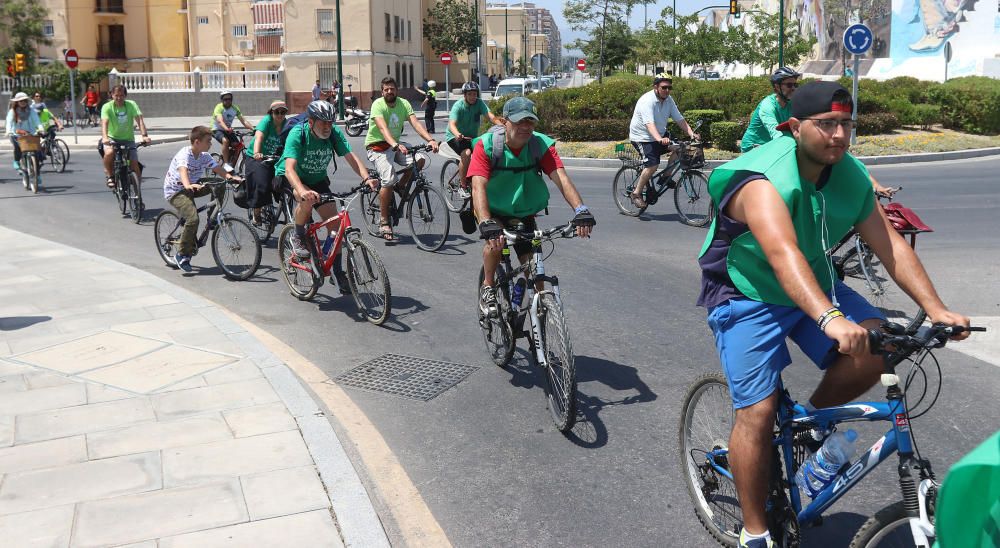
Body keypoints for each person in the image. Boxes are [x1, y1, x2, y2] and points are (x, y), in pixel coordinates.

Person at [695, 81, 970, 548]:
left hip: (815, 287)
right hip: (747, 293)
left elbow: (891, 248)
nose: (840, 135)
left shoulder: (849, 173)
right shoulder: (762, 180)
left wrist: (936, 308)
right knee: (758, 414)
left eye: (847, 124)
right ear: (793, 127)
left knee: (881, 343)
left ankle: (813, 421)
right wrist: (829, 319)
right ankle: (754, 532)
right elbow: (783, 255)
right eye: (827, 125)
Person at [469, 96, 595, 314]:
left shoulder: (539, 145)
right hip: (493, 209)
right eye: (519, 122)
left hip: (523, 210)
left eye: (530, 122)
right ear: (503, 121)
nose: (526, 127)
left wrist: (580, 210)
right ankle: (488, 285)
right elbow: (478, 186)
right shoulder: (487, 146)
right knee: (495, 243)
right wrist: (487, 222)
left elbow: (561, 178)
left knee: (533, 265)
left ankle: (541, 314)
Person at [274, 100, 378, 292]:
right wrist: (303, 191)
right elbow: (289, 169)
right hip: (293, 177)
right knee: (305, 199)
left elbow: (350, 156)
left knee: (335, 226)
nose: (328, 126)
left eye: (330, 122)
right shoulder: (298, 134)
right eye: (323, 122)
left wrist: (366, 178)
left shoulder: (333, 134)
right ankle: (298, 235)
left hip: (318, 179)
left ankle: (337, 273)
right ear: (311, 122)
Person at [364, 76, 439, 243]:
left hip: (396, 144)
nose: (389, 91)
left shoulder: (403, 103)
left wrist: (430, 140)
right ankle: (384, 221)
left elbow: (416, 123)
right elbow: (383, 129)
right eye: (386, 89)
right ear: (382, 91)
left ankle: (402, 185)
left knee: (420, 159)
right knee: (388, 179)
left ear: (396, 90)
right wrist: (395, 145)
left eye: (392, 88)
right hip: (377, 146)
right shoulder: (378, 105)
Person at [162, 126, 242, 273]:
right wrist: (188, 185)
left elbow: (217, 168)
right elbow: (183, 171)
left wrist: (231, 177)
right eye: (208, 141)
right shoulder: (184, 154)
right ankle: (182, 254)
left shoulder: (204, 155)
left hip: (194, 186)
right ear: (197, 142)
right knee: (193, 220)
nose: (211, 144)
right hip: (176, 191)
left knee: (219, 184)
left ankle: (212, 218)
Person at [626, 73, 699, 209]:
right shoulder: (647, 101)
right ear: (656, 87)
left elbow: (679, 119)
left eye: (669, 88)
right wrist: (659, 139)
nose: (667, 91)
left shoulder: (668, 100)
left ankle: (665, 177)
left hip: (659, 135)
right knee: (652, 165)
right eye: (664, 87)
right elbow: (649, 124)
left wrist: (691, 133)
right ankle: (636, 193)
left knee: (680, 149)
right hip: (643, 138)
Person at [445, 81, 500, 196]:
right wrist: (457, 134)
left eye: (474, 94)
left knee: (485, 152)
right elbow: (452, 124)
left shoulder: (479, 103)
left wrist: (500, 124)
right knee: (467, 153)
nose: (472, 97)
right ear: (464, 95)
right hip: (455, 137)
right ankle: (463, 186)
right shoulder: (458, 106)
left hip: (471, 138)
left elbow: (490, 116)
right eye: (469, 94)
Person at [243, 100, 288, 225]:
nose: (280, 115)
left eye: (283, 112)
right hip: (256, 157)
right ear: (271, 112)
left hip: (275, 157)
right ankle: (256, 213)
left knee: (286, 183)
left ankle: (289, 213)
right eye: (277, 112)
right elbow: (259, 137)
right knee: (262, 184)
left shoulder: (286, 124)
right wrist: (257, 152)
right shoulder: (267, 121)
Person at [100, 84, 151, 189]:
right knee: (109, 152)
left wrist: (144, 136)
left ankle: (138, 193)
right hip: (112, 138)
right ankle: (110, 176)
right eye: (116, 95)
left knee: (134, 164)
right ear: (112, 95)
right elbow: (104, 123)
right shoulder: (107, 106)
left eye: (122, 95)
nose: (119, 98)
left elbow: (139, 120)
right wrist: (105, 138)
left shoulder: (131, 105)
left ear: (125, 96)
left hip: (128, 139)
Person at [739, 67, 800, 153]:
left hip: (772, 145)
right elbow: (775, 132)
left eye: (795, 85)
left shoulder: (792, 104)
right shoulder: (767, 105)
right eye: (789, 85)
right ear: (777, 86)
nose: (793, 88)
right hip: (754, 147)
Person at [211, 90, 254, 167]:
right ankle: (227, 164)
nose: (228, 101)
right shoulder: (219, 107)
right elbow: (220, 121)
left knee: (238, 145)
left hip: (228, 129)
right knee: (225, 141)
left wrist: (253, 129)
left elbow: (243, 121)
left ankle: (229, 159)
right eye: (225, 99)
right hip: (216, 129)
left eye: (229, 99)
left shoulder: (235, 108)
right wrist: (226, 129)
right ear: (222, 100)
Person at [5, 92, 44, 173]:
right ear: (17, 102)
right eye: (20, 101)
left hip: (30, 133)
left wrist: (41, 128)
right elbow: (8, 122)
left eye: (24, 100)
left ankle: (37, 175)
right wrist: (8, 131)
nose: (23, 102)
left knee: (36, 153)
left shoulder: (31, 110)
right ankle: (16, 161)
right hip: (16, 134)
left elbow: (37, 121)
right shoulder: (13, 111)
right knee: (18, 148)